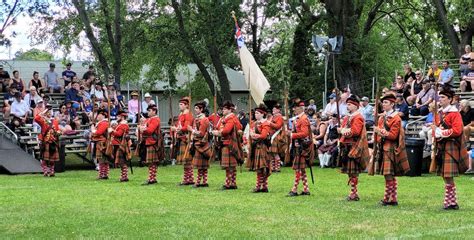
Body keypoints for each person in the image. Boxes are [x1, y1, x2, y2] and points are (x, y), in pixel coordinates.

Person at [433, 89, 470, 210]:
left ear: (450, 99)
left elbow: (458, 130)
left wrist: (441, 132)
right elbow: (438, 127)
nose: (441, 99)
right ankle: (450, 202)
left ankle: (451, 202)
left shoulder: (455, 113)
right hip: (442, 146)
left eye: (443, 97)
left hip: (451, 146)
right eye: (440, 97)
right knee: (444, 174)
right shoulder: (441, 113)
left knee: (448, 175)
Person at [373, 93, 410, 206]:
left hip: (390, 148)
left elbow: (393, 136)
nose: (383, 105)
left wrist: (380, 132)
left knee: (389, 174)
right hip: (383, 146)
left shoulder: (396, 118)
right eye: (383, 102)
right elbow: (379, 134)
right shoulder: (382, 117)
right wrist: (378, 136)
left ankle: (387, 198)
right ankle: (392, 199)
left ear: (392, 104)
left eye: (386, 102)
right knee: (387, 174)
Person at [338, 95, 370, 201]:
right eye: (347, 104)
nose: (348, 106)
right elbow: (343, 128)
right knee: (349, 172)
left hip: (354, 146)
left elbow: (355, 132)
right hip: (346, 147)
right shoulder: (347, 117)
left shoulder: (358, 117)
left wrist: (343, 131)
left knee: (354, 172)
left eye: (350, 104)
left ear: (356, 106)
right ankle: (353, 192)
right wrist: (341, 130)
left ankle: (354, 193)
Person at [212, 101, 243, 190]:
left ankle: (228, 183)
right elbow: (219, 127)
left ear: (230, 110)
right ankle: (232, 183)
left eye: (225, 109)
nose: (223, 110)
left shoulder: (231, 118)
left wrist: (218, 133)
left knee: (229, 166)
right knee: (230, 166)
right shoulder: (225, 118)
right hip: (226, 143)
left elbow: (226, 131)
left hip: (229, 144)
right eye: (223, 109)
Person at [287, 101, 314, 197]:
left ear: (300, 108)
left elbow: (304, 133)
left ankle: (294, 189)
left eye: (295, 108)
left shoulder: (303, 119)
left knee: (298, 169)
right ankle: (306, 189)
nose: (293, 109)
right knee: (301, 169)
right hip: (299, 146)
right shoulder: (298, 118)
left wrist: (291, 135)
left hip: (303, 147)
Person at [248, 104, 272, 193]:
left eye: (258, 113)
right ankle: (261, 186)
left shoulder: (265, 123)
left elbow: (263, 136)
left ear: (262, 114)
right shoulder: (254, 123)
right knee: (258, 168)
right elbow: (251, 134)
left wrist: (255, 135)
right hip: (256, 147)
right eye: (255, 113)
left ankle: (262, 186)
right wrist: (253, 135)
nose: (256, 115)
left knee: (263, 168)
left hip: (263, 147)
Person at [171, 97, 195, 185]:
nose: (179, 106)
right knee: (185, 162)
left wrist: (176, 129)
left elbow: (186, 127)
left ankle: (189, 179)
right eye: (179, 104)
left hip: (186, 139)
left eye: (181, 104)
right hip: (181, 138)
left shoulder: (188, 114)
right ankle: (187, 179)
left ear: (186, 105)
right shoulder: (181, 114)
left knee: (187, 160)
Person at [188, 101, 211, 188]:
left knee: (202, 165)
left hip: (202, 144)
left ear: (202, 109)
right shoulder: (197, 118)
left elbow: (201, 133)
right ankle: (203, 182)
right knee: (201, 166)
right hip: (197, 143)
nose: (195, 110)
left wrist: (191, 130)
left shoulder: (204, 119)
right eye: (195, 108)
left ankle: (200, 182)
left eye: (197, 108)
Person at [139, 104, 163, 185]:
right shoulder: (150, 119)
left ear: (154, 111)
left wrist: (143, 129)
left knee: (152, 162)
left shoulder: (155, 119)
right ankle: (151, 178)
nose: (148, 112)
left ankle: (152, 179)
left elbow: (150, 131)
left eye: (149, 111)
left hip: (153, 142)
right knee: (150, 162)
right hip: (148, 141)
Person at [34, 105, 61, 177]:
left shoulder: (55, 121)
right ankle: (45, 171)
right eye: (48, 112)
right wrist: (44, 111)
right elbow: (36, 118)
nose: (49, 113)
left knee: (52, 159)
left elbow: (58, 130)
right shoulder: (43, 120)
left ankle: (52, 171)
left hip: (53, 141)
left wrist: (58, 132)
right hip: (45, 141)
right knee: (44, 159)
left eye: (50, 112)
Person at [108, 110, 131, 182]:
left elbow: (119, 134)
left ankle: (124, 176)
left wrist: (112, 130)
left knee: (122, 161)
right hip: (118, 144)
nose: (116, 117)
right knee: (121, 161)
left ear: (122, 117)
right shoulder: (120, 124)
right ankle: (123, 176)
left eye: (118, 116)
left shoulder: (123, 125)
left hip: (121, 144)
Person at [91, 109, 110, 180]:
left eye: (98, 114)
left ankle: (103, 174)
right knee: (101, 159)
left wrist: (93, 130)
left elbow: (99, 133)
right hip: (99, 142)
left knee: (102, 159)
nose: (97, 116)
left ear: (102, 115)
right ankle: (103, 174)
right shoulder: (101, 123)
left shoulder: (104, 123)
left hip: (102, 143)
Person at [268, 103, 286, 173]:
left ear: (278, 110)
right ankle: (272, 168)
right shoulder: (273, 117)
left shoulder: (280, 117)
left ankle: (277, 168)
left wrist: (270, 123)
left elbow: (278, 126)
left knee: (275, 153)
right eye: (273, 109)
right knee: (271, 153)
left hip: (276, 136)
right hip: (272, 136)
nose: (273, 110)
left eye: (275, 109)